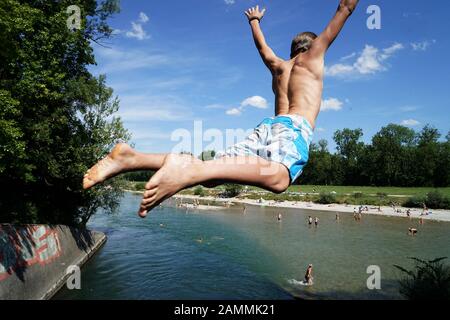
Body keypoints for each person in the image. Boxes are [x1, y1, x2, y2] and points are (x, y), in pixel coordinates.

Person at [82, 1, 360, 217]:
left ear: (292, 48)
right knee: (278, 178)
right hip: (293, 128)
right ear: (312, 47)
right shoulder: (313, 57)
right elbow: (345, 7)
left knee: (213, 173)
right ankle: (188, 172)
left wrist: (254, 21)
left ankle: (131, 158)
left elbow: (263, 49)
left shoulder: (279, 66)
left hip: (268, 127)